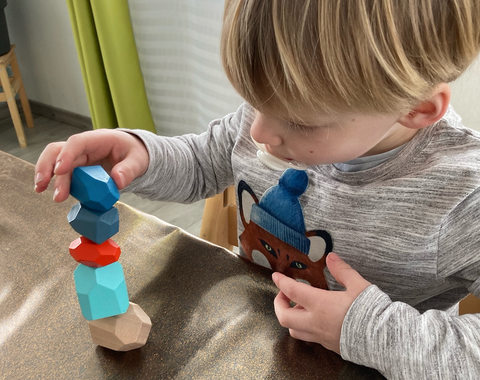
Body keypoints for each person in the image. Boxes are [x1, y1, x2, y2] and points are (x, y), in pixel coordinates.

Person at [35, 1, 480, 378]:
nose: (260, 132)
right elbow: (204, 161)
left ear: (417, 109)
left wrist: (364, 329)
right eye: (254, 102)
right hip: (250, 347)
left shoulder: (464, 195)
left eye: (301, 121)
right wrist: (140, 154)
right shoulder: (271, 118)